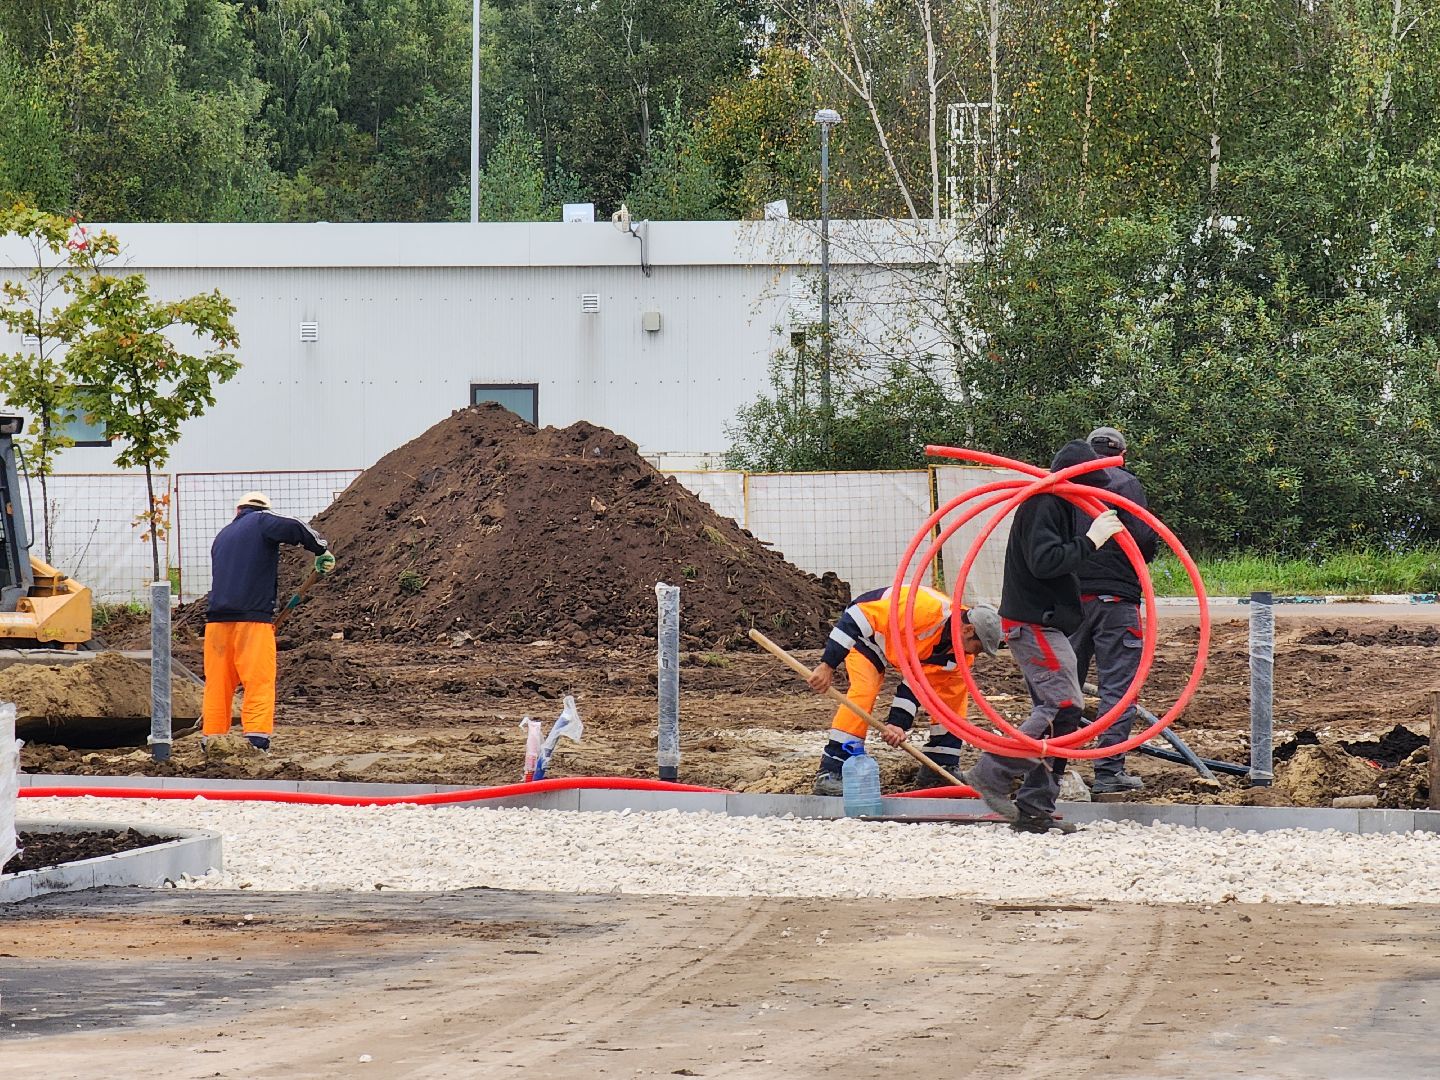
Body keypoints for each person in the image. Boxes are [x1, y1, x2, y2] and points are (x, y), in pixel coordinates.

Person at [961, 441, 1126, 833]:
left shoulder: (1059, 504)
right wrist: (1092, 540)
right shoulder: (1045, 502)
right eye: (1091, 484)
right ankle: (992, 772)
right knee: (1064, 705)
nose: (1094, 494)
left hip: (1045, 623)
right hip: (1034, 623)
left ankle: (1035, 809)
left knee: (1063, 718)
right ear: (1077, 480)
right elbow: (1045, 561)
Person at [807, 584, 1004, 796]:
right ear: (968, 630)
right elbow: (856, 617)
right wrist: (828, 665)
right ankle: (832, 768)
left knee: (954, 689)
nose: (978, 654)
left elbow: (916, 685)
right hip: (871, 637)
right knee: (865, 690)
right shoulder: (923, 610)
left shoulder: (958, 654)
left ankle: (940, 766)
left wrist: (897, 724)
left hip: (903, 650)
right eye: (979, 647)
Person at [202, 491, 335, 752]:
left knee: (218, 683)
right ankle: (256, 739)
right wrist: (320, 549)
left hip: (216, 623)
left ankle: (212, 738)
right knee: (258, 679)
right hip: (252, 620)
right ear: (262, 508)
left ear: (238, 510)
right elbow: (295, 527)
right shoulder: (262, 520)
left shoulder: (223, 536)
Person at [1070, 426, 1158, 793]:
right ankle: (1108, 772)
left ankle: (1046, 767)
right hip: (1116, 597)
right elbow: (1143, 536)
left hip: (1069, 599)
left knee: (1060, 684)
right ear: (1122, 451)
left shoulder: (1066, 484)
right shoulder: (1126, 483)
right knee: (1118, 687)